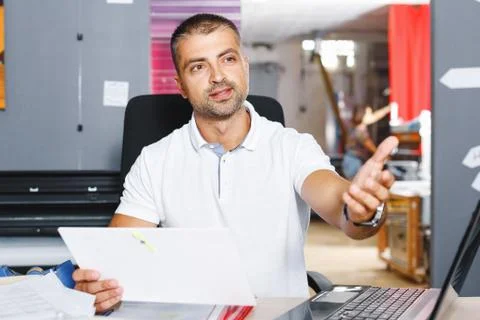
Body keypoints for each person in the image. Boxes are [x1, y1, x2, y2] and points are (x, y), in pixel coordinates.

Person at [72, 13, 398, 313]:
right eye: (198, 66)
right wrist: (101, 286)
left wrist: (360, 209)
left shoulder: (292, 147)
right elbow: (119, 258)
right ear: (181, 86)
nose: (217, 77)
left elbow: (340, 206)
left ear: (244, 65)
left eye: (227, 59)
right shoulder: (154, 160)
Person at [342, 104, 392, 180]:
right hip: (354, 161)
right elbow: (369, 145)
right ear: (363, 115)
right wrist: (383, 155)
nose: (372, 115)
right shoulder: (360, 131)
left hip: (351, 160)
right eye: (369, 113)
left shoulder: (355, 126)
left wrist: (388, 108)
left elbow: (376, 116)